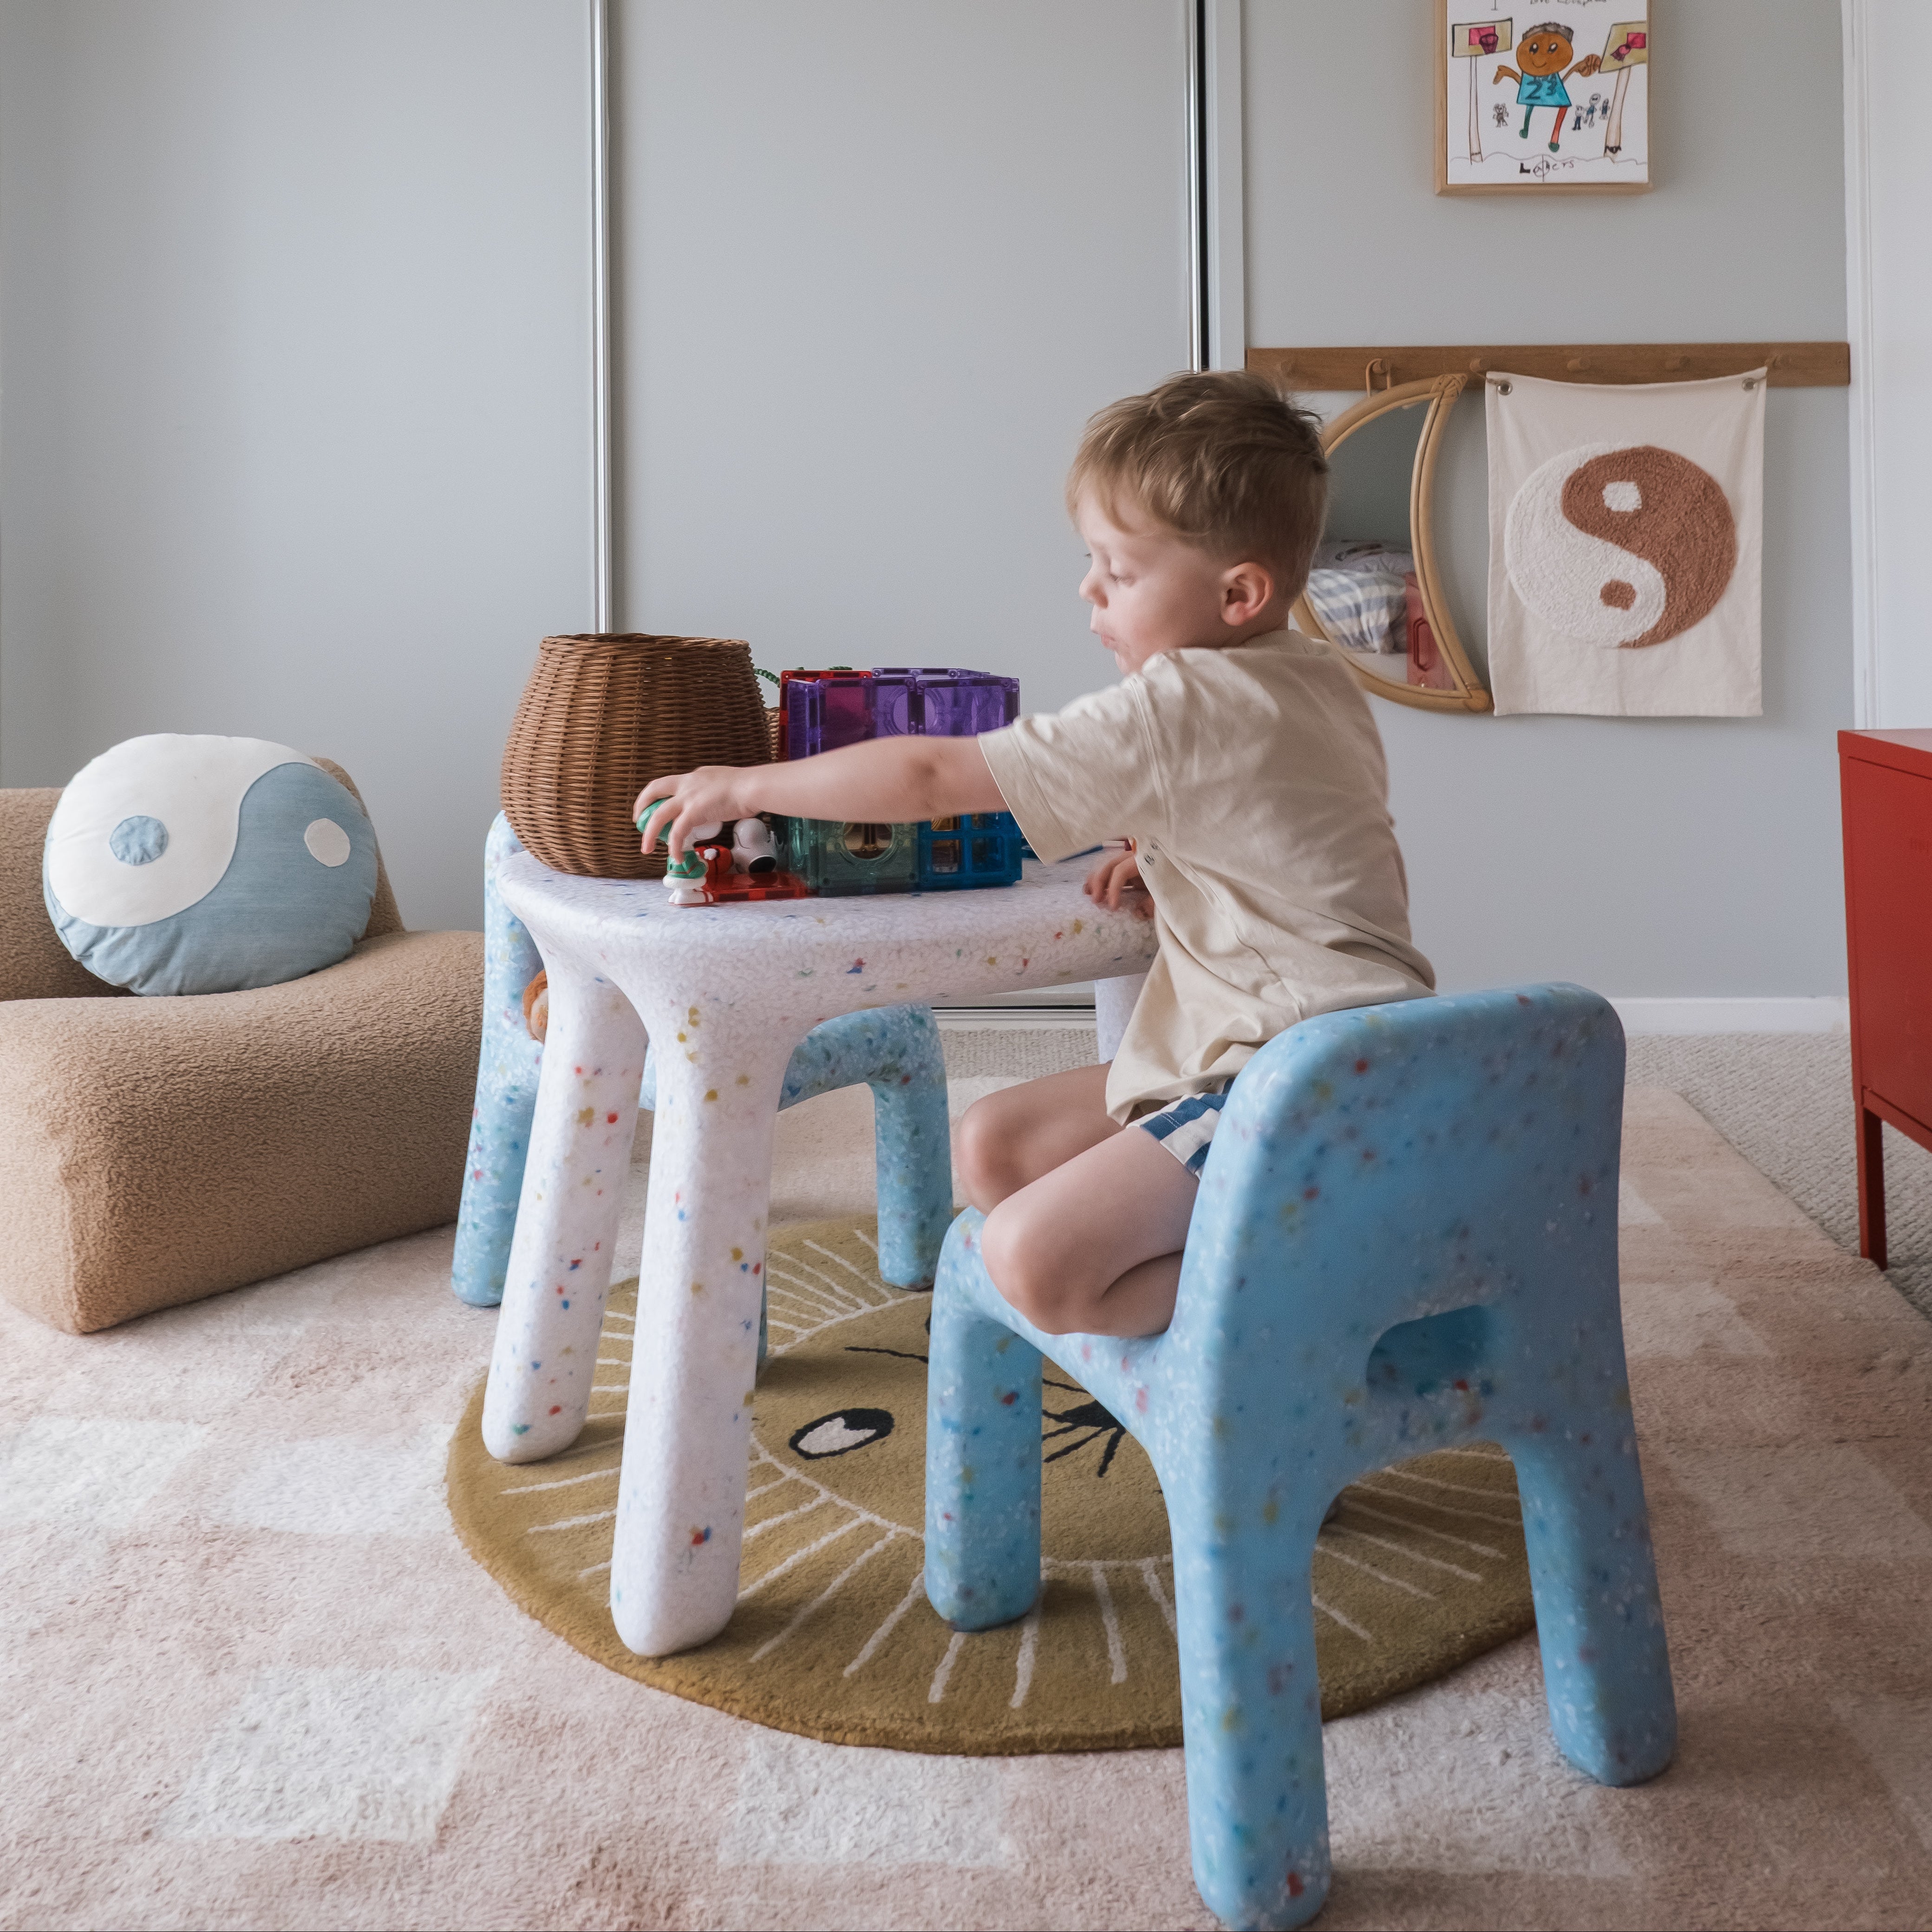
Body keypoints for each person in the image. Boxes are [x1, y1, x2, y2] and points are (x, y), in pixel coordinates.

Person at [633, 370, 1434, 1338]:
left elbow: (930, 777)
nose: (1088, 588)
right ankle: (1284, 1263)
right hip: (1330, 1050)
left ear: (1238, 593)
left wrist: (748, 787)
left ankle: (1333, 1302)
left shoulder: (1180, 702)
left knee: (1030, 1262)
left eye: (1120, 571)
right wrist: (1173, 857)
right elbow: (1294, 834)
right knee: (996, 1146)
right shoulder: (1313, 678)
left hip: (1291, 1076)